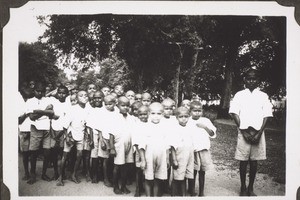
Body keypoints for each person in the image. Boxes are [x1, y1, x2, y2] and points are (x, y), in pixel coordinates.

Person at [229, 68, 273, 196]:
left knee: (254, 161)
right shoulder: (239, 95)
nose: (251, 81)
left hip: (258, 133)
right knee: (243, 161)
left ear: (258, 80)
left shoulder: (263, 96)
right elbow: (234, 113)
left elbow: (267, 115)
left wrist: (259, 133)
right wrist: (243, 131)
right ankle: (243, 187)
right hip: (244, 133)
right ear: (245, 80)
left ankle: (251, 188)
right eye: (249, 78)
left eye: (254, 78)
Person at [56, 90, 90, 186]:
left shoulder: (88, 110)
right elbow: (64, 126)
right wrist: (66, 136)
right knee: (65, 156)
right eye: (81, 96)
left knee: (79, 156)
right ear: (77, 98)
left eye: (86, 95)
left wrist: (87, 136)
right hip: (71, 135)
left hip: (81, 136)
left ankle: (74, 174)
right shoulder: (73, 109)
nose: (84, 97)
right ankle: (60, 177)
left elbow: (86, 124)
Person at [25, 82, 54, 184]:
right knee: (34, 153)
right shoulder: (30, 101)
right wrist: (45, 111)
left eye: (42, 91)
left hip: (46, 128)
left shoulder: (47, 100)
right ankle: (32, 175)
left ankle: (44, 174)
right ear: (34, 91)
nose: (40, 93)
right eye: (38, 91)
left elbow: (51, 113)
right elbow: (32, 117)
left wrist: (38, 111)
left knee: (47, 152)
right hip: (36, 128)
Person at [139, 102, 170, 197]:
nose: (156, 116)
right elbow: (141, 146)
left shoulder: (165, 127)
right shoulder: (145, 127)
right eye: (153, 113)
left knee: (158, 178)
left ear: (163, 114)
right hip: (149, 156)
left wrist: (167, 159)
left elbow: (167, 145)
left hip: (161, 156)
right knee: (148, 178)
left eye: (159, 114)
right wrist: (143, 160)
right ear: (148, 114)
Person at [188, 100, 216, 196]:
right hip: (193, 150)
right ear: (190, 111)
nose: (197, 113)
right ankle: (191, 191)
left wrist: (205, 127)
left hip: (203, 150)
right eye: (195, 110)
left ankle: (201, 192)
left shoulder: (205, 121)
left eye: (199, 110)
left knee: (202, 171)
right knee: (193, 171)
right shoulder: (188, 121)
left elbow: (213, 134)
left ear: (202, 111)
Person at [108, 96, 134, 194]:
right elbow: (111, 134)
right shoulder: (114, 118)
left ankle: (123, 186)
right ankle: (115, 186)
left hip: (128, 146)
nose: (125, 107)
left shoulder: (131, 118)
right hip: (119, 145)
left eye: (127, 105)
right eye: (123, 105)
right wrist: (112, 148)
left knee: (126, 166)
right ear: (117, 105)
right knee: (117, 166)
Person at [170, 107, 195, 196]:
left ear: (189, 117)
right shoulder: (175, 129)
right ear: (176, 117)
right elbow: (172, 146)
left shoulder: (190, 128)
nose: (184, 118)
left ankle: (183, 195)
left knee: (185, 176)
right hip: (179, 155)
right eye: (181, 116)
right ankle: (173, 195)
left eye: (186, 116)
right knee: (177, 177)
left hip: (189, 155)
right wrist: (174, 160)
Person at [49, 85, 69, 181]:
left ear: (67, 94)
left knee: (62, 154)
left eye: (63, 93)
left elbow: (67, 120)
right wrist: (53, 134)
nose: (61, 95)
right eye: (59, 92)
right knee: (53, 153)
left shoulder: (68, 104)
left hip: (63, 132)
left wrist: (61, 134)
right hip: (53, 131)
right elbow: (47, 96)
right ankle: (56, 172)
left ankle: (62, 173)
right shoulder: (53, 101)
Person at [86, 91, 105, 183]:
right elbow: (89, 126)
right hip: (94, 134)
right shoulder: (91, 110)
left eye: (99, 97)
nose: (97, 100)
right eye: (95, 98)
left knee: (104, 155)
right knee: (94, 155)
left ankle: (103, 175)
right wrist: (90, 138)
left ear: (103, 98)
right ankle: (94, 175)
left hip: (104, 135)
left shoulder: (105, 109)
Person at [131, 105, 149, 196]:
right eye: (141, 114)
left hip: (148, 150)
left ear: (148, 114)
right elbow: (135, 140)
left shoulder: (150, 124)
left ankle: (146, 187)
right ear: (138, 115)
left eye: (145, 114)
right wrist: (139, 152)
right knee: (138, 169)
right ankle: (138, 188)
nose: (143, 116)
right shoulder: (136, 125)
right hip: (139, 150)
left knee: (147, 169)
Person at [18, 91, 31, 181]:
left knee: (33, 153)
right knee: (25, 154)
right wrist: (27, 113)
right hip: (24, 131)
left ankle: (32, 172)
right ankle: (26, 173)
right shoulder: (19, 105)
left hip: (33, 131)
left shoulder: (32, 103)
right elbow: (19, 120)